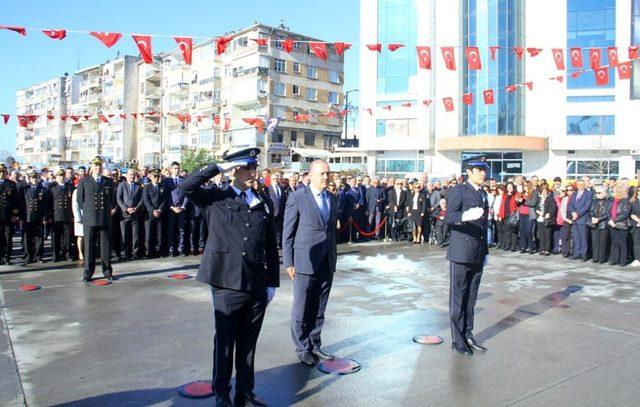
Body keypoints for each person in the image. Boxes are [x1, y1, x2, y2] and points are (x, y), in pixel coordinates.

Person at [182, 147, 279, 407]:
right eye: (248, 167)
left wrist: (272, 283)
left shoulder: (263, 202)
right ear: (235, 170)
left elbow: (270, 245)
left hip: (256, 283)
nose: (253, 173)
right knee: (225, 344)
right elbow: (187, 187)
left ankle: (245, 391)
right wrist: (216, 168)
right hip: (226, 283)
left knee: (249, 343)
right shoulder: (215, 198)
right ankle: (222, 393)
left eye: (254, 168)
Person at [283, 159, 339, 367]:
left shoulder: (333, 198)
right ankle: (302, 347)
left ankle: (315, 343)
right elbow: (287, 232)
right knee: (302, 306)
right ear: (311, 175)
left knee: (319, 305)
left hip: (326, 260)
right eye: (322, 174)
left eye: (328, 173)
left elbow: (330, 231)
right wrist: (288, 260)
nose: (326, 177)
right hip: (304, 260)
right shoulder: (297, 197)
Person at [444, 155, 489, 356]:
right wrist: (464, 216)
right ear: (469, 172)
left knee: (471, 298)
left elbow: (484, 225)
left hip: (478, 252)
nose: (483, 173)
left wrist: (485, 251)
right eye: (478, 170)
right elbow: (449, 218)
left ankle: (468, 333)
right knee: (458, 298)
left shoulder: (483, 193)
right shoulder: (458, 190)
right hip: (461, 252)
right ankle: (457, 340)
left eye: (484, 170)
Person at [76, 156, 115, 282]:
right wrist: (89, 211)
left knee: (105, 246)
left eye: (100, 165)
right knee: (89, 246)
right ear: (92, 167)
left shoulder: (108, 181)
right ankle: (88, 272)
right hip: (90, 217)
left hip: (104, 217)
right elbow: (80, 200)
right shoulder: (84, 181)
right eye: (96, 165)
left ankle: (107, 271)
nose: (98, 167)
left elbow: (112, 199)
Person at [20, 170, 51, 265]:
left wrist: (45, 217)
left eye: (35, 177)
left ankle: (38, 256)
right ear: (29, 178)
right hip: (27, 217)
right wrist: (21, 218)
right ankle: (29, 256)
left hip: (39, 217)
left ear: (38, 178)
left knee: (39, 239)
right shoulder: (24, 189)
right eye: (32, 177)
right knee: (27, 238)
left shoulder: (42, 189)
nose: (34, 179)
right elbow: (22, 204)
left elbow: (46, 205)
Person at [117, 167, 144, 260]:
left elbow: (141, 199)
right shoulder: (122, 185)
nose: (132, 176)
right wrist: (126, 209)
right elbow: (119, 199)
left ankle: (135, 252)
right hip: (125, 215)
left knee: (135, 235)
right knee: (125, 235)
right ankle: (127, 253)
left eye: (133, 175)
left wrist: (136, 208)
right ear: (127, 175)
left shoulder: (138, 186)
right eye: (130, 175)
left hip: (135, 214)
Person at [50, 168, 75, 262]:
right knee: (55, 237)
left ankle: (67, 253)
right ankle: (55, 255)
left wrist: (73, 215)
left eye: (63, 175)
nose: (61, 177)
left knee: (67, 237)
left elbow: (73, 201)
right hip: (56, 215)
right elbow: (49, 202)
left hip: (67, 215)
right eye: (59, 175)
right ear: (56, 176)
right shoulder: (52, 187)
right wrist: (49, 216)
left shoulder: (70, 186)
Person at [143, 169, 168, 259]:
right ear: (151, 177)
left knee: (159, 233)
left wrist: (160, 210)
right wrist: (153, 210)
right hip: (150, 214)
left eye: (158, 176)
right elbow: (146, 200)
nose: (157, 178)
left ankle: (159, 251)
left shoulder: (162, 186)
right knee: (149, 234)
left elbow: (164, 199)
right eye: (155, 177)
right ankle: (149, 251)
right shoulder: (147, 187)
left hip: (159, 213)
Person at [165, 161, 189, 257]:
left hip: (181, 209)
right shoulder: (167, 180)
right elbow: (166, 195)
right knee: (171, 229)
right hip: (171, 209)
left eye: (178, 168)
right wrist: (171, 207)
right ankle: (171, 249)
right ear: (171, 169)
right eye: (175, 168)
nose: (177, 170)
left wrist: (183, 206)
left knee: (181, 230)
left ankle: (181, 248)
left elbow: (186, 195)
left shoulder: (184, 179)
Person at [568, 180, 593, 261]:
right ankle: (577, 253)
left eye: (582, 184)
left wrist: (577, 214)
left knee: (583, 237)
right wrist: (572, 212)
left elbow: (587, 206)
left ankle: (583, 254)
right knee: (576, 237)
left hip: (582, 218)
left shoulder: (588, 194)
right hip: (574, 219)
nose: (580, 186)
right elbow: (570, 205)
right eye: (578, 185)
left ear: (584, 185)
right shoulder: (574, 193)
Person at [608, 185, 631, 267]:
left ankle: (623, 260)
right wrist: (610, 220)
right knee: (614, 243)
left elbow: (625, 214)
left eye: (614, 191)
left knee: (622, 243)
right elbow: (608, 211)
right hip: (612, 224)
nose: (612, 193)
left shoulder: (625, 201)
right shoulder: (612, 201)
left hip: (622, 224)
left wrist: (614, 221)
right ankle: (615, 259)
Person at [0, 163, 19, 265]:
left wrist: (15, 215)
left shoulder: (11, 184)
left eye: (3, 172)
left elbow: (15, 200)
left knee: (8, 237)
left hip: (8, 216)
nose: (1, 174)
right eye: (0, 172)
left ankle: (6, 257)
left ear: (6, 173)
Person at [589, 186, 611, 264]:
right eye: (596, 193)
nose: (597, 194)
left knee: (603, 242)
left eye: (599, 193)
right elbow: (591, 210)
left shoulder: (608, 202)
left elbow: (608, 213)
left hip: (603, 224)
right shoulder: (594, 201)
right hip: (594, 223)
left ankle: (601, 258)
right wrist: (592, 217)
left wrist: (599, 219)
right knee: (594, 241)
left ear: (604, 193)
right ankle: (595, 258)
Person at [535, 184, 558, 256]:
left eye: (545, 191)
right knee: (541, 235)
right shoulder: (539, 199)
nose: (544, 193)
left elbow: (553, 208)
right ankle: (541, 249)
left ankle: (547, 250)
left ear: (547, 192)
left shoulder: (550, 199)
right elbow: (535, 207)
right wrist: (538, 211)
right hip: (539, 219)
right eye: (542, 191)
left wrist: (548, 214)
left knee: (547, 235)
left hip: (547, 219)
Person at [267, 172, 287, 249]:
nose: (275, 180)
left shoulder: (281, 188)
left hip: (281, 213)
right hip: (273, 212)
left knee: (280, 229)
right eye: (274, 179)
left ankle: (279, 243)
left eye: (276, 178)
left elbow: (284, 200)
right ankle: (275, 244)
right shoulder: (268, 189)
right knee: (274, 230)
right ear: (271, 180)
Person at [71, 187, 84, 262]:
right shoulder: (77, 191)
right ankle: (80, 253)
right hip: (80, 216)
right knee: (81, 236)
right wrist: (78, 217)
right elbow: (75, 205)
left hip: (89, 216)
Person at [630, 187, 640, 267]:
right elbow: (631, 213)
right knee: (636, 243)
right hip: (636, 224)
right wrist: (639, 221)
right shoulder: (633, 200)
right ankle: (637, 259)